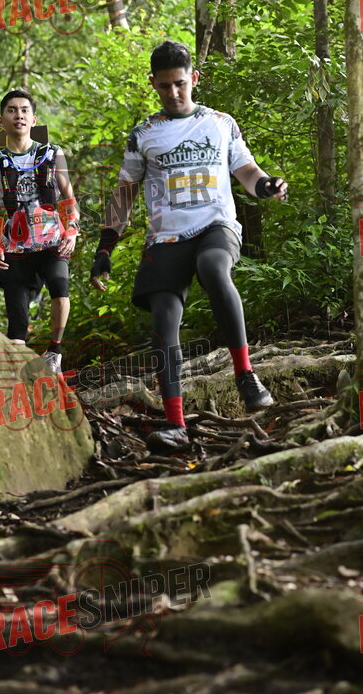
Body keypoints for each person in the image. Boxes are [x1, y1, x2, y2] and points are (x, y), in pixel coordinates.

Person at [90, 41, 287, 453]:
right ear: (153, 84)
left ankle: (245, 375)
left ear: (194, 78)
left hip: (215, 225)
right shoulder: (143, 135)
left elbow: (246, 170)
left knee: (213, 268)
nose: (174, 93)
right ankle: (176, 425)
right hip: (165, 238)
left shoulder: (220, 122)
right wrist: (105, 249)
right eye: (165, 86)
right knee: (163, 319)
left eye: (180, 83)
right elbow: (124, 194)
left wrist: (267, 185)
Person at [0, 89, 80, 373]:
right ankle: (17, 378)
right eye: (12, 110)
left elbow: (69, 199)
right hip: (15, 245)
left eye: (25, 110)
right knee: (17, 327)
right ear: (1, 120)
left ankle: (54, 352)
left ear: (34, 119)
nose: (19, 115)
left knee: (60, 286)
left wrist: (72, 231)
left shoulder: (52, 154)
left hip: (52, 240)